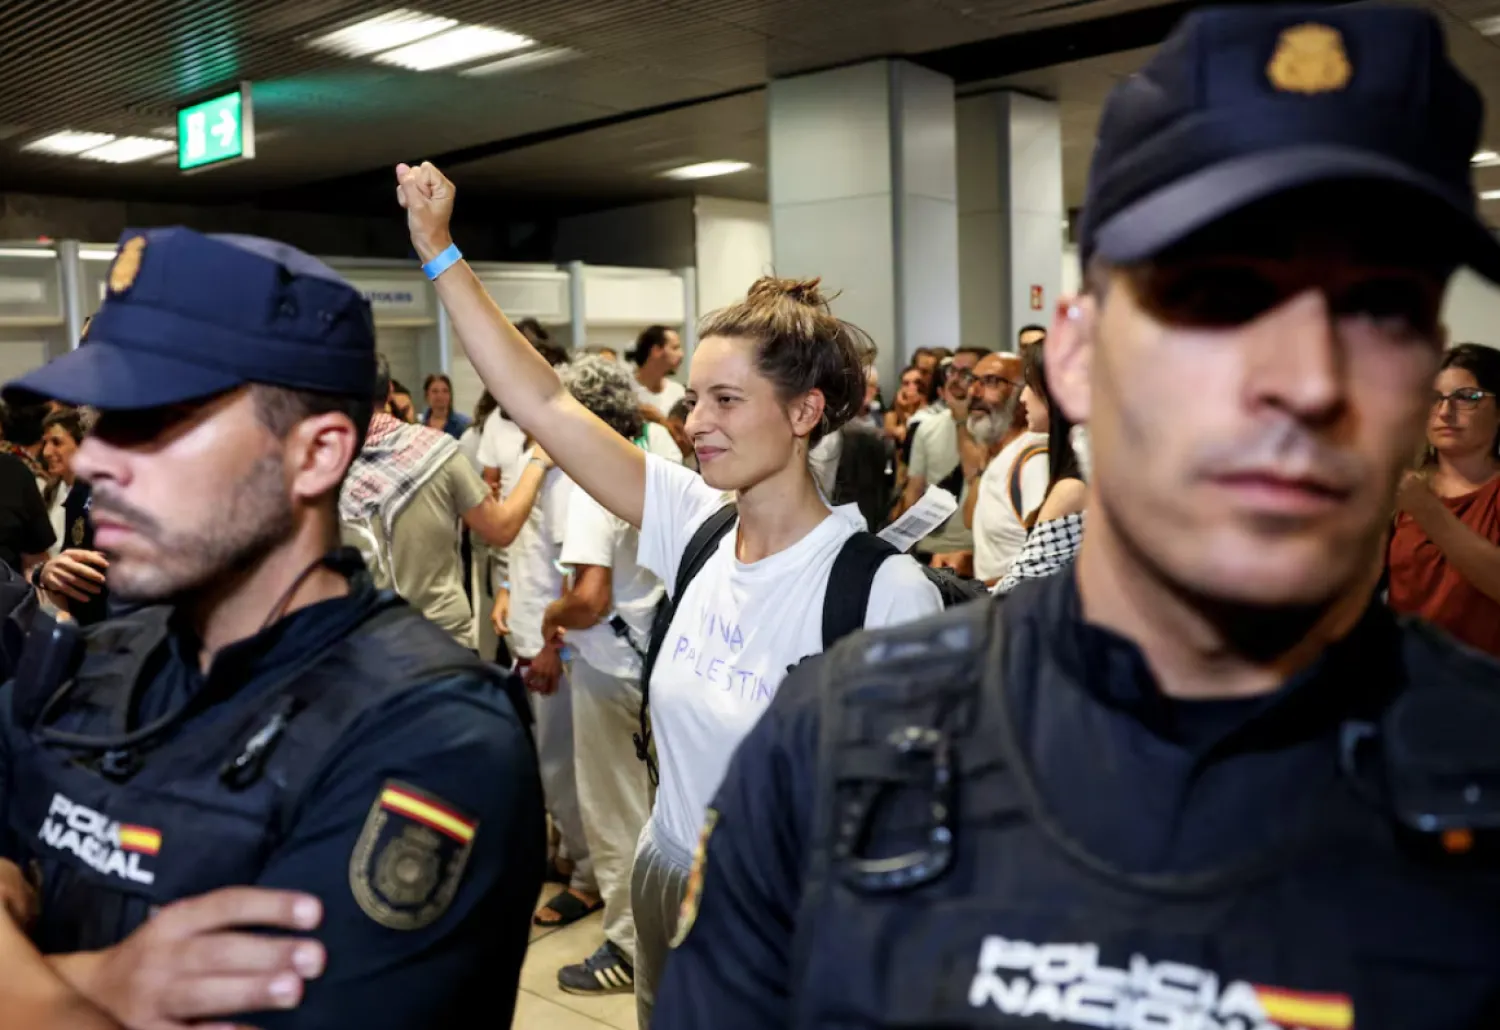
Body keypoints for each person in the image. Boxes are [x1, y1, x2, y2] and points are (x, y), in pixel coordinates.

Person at [654, 7, 1500, 1028]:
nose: (1309, 381)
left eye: (1379, 309)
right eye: (1221, 297)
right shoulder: (838, 745)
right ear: (1076, 354)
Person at [394, 158, 944, 1028]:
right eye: (693, 398)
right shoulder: (694, 520)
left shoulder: (879, 593)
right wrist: (438, 250)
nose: (695, 423)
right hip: (663, 873)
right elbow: (542, 399)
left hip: (780, 911)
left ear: (804, 413)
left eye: (727, 399)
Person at [0, 227, 544, 1029]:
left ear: (318, 455)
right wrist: (110, 983)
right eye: (96, 423)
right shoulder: (96, 658)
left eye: (150, 425)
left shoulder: (435, 737)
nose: (91, 462)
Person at [540, 356, 662, 995]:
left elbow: (588, 596)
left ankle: (625, 945)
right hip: (649, 661)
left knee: (614, 815)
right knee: (649, 812)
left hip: (608, 666)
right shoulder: (650, 469)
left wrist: (549, 618)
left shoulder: (591, 484)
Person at [340, 355, 552, 653]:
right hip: (443, 642)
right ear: (389, 391)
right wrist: (538, 461)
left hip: (365, 647)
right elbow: (501, 528)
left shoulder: (321, 467)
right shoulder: (437, 452)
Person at [1387, 343, 1500, 656]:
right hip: (1395, 676)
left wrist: (1426, 510)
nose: (1445, 412)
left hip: (1481, 686)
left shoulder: (1416, 498)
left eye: (1466, 398)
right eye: (1435, 398)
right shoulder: (1401, 484)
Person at [993, 336, 1089, 596]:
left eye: (1029, 386)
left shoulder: (1072, 488)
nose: (1022, 397)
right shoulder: (1081, 475)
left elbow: (1017, 591)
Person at [900, 346, 991, 571]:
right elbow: (914, 490)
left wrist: (961, 420)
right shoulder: (927, 428)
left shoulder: (992, 427)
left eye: (966, 374)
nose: (955, 379)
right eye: (952, 371)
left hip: (974, 549)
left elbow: (975, 472)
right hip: (930, 546)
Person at [964, 352, 1049, 587]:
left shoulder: (1035, 461)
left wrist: (972, 589)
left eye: (991, 382)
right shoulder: (1000, 455)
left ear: (1023, 394)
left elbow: (1050, 567)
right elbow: (971, 521)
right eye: (973, 380)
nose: (974, 391)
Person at [33, 409, 110, 625]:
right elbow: (68, 558)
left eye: (57, 442)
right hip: (89, 624)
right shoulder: (74, 491)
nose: (47, 452)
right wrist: (45, 573)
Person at [631, 325, 686, 416]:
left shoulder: (678, 392)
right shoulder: (627, 391)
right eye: (675, 348)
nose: (681, 354)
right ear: (656, 350)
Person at [420, 372, 471, 439]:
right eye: (435, 391)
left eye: (445, 391)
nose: (440, 395)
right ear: (427, 396)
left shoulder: (464, 424)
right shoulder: (420, 426)